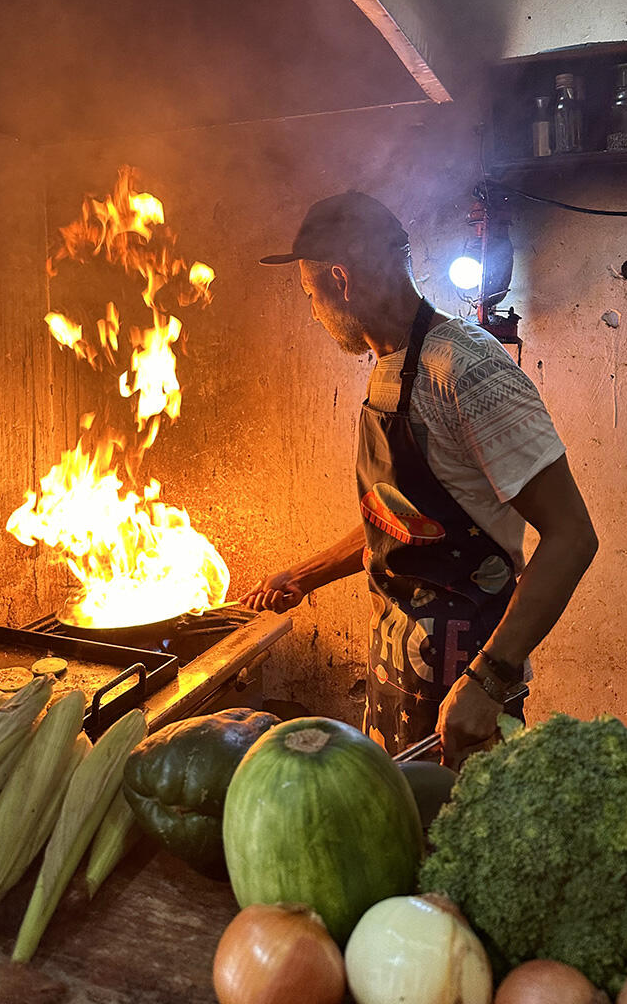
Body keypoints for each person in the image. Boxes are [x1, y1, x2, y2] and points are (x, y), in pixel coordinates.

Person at [242, 190, 598, 764]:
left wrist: (488, 682)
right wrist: (304, 575)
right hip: (396, 671)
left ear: (342, 279)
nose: (312, 311)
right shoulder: (386, 368)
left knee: (461, 847)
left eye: (311, 295)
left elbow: (573, 537)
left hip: (466, 692)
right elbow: (405, 516)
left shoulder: (465, 367)